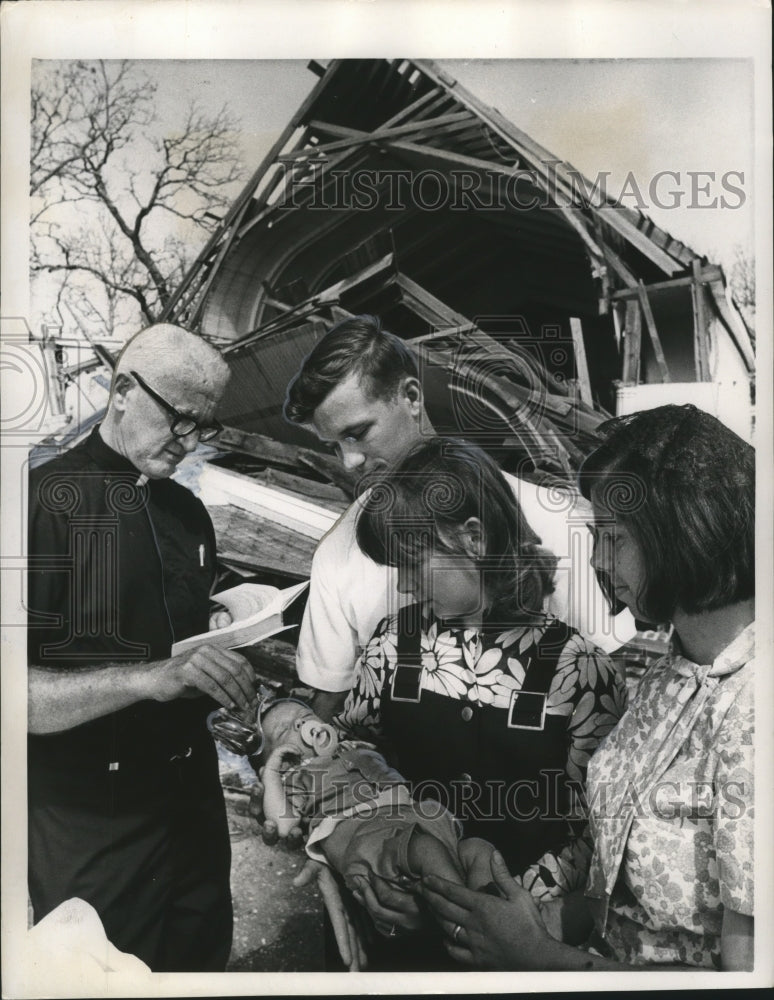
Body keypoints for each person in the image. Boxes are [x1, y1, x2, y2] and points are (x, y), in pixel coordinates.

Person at [420, 405, 754, 971]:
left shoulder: (753, 713)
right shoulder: (669, 678)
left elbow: (746, 979)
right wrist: (533, 918)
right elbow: (625, 903)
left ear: (685, 530)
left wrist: (537, 955)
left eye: (614, 538)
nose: (598, 560)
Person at [27, 323, 259, 972]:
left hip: (191, 802)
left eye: (203, 426)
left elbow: (176, 638)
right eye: (179, 419)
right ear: (124, 390)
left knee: (196, 968)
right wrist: (144, 679)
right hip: (87, 817)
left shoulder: (191, 516)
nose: (189, 442)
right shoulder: (39, 504)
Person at [335, 438, 627, 948]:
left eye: (412, 563)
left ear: (473, 539)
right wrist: (371, 851)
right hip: (399, 925)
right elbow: (353, 751)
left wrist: (512, 911)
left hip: (518, 941)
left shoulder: (580, 673)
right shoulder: (391, 644)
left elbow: (594, 832)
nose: (403, 587)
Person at [283, 314, 636, 723]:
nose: (349, 461)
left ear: (411, 397)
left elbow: (609, 697)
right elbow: (332, 709)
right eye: (333, 446)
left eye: (357, 433)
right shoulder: (338, 555)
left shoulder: (555, 523)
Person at [210, 695, 499, 904]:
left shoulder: (354, 745)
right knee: (425, 850)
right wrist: (271, 774)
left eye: (304, 718)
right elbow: (284, 827)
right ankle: (470, 916)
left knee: (479, 850)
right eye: (285, 731)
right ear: (280, 759)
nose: (301, 727)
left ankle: (489, 912)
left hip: (416, 818)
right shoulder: (296, 776)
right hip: (369, 841)